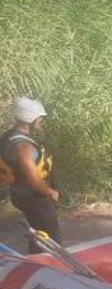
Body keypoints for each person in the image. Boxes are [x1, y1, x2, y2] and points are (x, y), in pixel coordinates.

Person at [0, 98, 60, 253]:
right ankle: (47, 270)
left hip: (19, 193)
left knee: (38, 234)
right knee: (51, 239)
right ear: (30, 118)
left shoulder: (9, 136)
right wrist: (50, 192)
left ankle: (35, 261)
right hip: (33, 197)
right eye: (40, 118)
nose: (41, 121)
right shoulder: (23, 147)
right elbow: (32, 179)